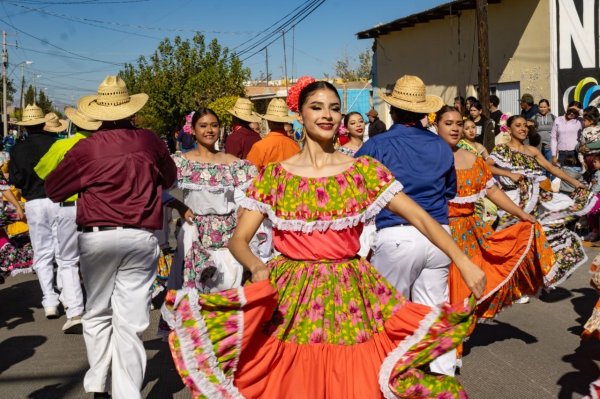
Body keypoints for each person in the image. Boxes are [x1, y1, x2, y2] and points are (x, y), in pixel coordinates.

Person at [163, 77, 485, 398]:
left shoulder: (363, 171)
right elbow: (239, 239)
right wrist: (256, 266)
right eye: (316, 107)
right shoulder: (275, 176)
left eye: (334, 109)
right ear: (300, 115)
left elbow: (419, 217)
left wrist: (463, 261)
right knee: (292, 379)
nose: (327, 115)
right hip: (290, 294)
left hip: (351, 292)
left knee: (356, 379)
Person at [45, 76, 177, 399]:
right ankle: (126, 393)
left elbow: (54, 189)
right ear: (130, 109)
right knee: (131, 322)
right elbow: (170, 178)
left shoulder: (85, 148)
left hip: (97, 237)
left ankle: (98, 384)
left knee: (98, 312)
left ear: (99, 111)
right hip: (140, 236)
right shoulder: (149, 141)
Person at [356, 75, 484, 376]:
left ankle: (386, 376)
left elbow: (355, 189)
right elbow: (449, 190)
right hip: (439, 235)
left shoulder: (377, 145)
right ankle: (442, 373)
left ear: (394, 111)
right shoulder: (441, 147)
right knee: (433, 310)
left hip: (396, 233)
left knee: (387, 311)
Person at [435, 106, 553, 322]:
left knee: (471, 282)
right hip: (439, 230)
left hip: (471, 231)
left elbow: (492, 190)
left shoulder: (473, 158)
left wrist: (521, 214)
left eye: (459, 124)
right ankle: (443, 339)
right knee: (441, 286)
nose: (455, 129)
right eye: (448, 123)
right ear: (436, 125)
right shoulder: (427, 157)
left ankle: (457, 337)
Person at [488, 115, 594, 290]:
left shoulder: (532, 150)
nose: (522, 129)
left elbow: (552, 168)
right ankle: (511, 283)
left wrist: (575, 183)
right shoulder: (501, 150)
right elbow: (486, 166)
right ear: (509, 129)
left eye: (525, 126)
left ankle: (537, 277)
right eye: (518, 125)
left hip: (539, 199)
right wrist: (509, 174)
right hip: (517, 202)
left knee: (547, 236)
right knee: (514, 244)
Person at [34, 108, 97, 334]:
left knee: (68, 260)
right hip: (100, 206)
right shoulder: (103, 144)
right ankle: (99, 307)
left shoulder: (62, 146)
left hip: (69, 208)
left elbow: (43, 172)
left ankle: (75, 312)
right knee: (99, 257)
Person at [9, 105, 61, 319]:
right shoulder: (56, 145)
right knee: (63, 251)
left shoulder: (18, 149)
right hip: (58, 200)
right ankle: (68, 295)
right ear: (43, 123)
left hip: (34, 203)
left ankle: (49, 299)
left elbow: (16, 181)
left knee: (42, 252)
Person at [246, 98, 300, 169]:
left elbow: (250, 174)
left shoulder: (259, 147)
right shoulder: (295, 146)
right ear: (285, 121)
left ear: (269, 122)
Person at [551, 101, 583, 167]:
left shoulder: (580, 121)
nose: (571, 113)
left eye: (574, 112)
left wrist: (579, 111)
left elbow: (593, 115)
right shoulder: (558, 120)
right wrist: (554, 155)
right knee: (561, 175)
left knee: (576, 175)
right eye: (570, 110)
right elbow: (553, 138)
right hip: (561, 154)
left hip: (575, 153)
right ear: (567, 107)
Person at [533, 99, 556, 165]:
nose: (542, 109)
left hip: (550, 147)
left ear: (548, 107)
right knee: (541, 166)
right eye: (541, 107)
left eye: (544, 107)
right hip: (538, 147)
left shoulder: (553, 118)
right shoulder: (534, 118)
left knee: (550, 166)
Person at [577, 106, 600, 172]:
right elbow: (581, 145)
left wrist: (586, 146)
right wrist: (580, 147)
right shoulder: (585, 131)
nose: (583, 121)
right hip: (589, 159)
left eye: (585, 119)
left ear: (591, 120)